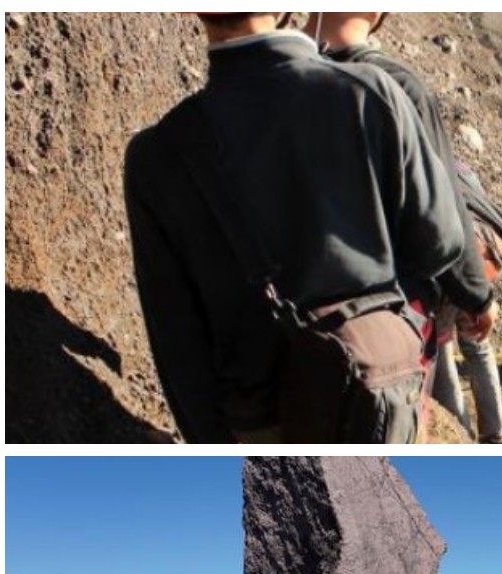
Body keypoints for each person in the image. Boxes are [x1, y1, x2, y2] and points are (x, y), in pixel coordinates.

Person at [124, 13, 476, 443]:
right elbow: (442, 243)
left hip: (263, 424)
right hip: (381, 394)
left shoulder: (158, 156)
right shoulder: (370, 92)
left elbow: (179, 345)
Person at [305, 12, 502, 444]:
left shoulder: (274, 76)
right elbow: (442, 211)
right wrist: (477, 295)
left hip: (292, 313)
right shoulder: (398, 86)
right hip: (388, 314)